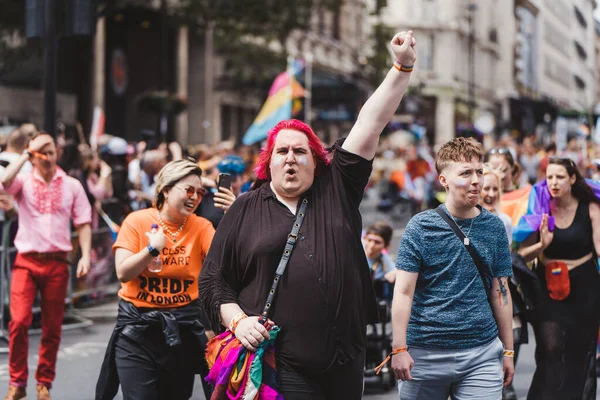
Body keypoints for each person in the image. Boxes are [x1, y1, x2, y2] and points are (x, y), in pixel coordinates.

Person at [199, 30, 417, 400]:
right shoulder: (246, 209)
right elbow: (213, 282)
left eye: (300, 151)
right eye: (281, 151)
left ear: (316, 160)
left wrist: (401, 66)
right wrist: (239, 320)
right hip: (281, 363)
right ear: (268, 162)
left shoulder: (337, 186)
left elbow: (369, 123)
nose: (290, 158)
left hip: (345, 358)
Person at [391, 137, 514, 400]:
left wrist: (508, 351)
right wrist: (399, 348)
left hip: (481, 354)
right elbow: (403, 293)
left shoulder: (494, 227)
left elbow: (500, 291)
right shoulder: (420, 227)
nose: (476, 180)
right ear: (443, 180)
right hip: (424, 355)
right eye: (466, 173)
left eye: (479, 172)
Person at [95, 159, 216, 400]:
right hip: (136, 331)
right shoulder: (137, 221)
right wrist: (152, 249)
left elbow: (223, 267)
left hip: (180, 331)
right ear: (166, 189)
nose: (195, 197)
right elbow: (123, 272)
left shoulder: (201, 227)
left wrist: (235, 213)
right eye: (188, 190)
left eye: (200, 192)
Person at [0, 133, 93, 400]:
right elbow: (4, 182)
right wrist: (26, 154)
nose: (49, 158)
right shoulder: (22, 182)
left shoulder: (72, 185)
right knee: (18, 321)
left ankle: (44, 383)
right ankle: (17, 383)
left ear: (58, 154)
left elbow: (83, 222)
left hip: (58, 263)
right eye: (43, 153)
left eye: (52, 152)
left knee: (52, 327)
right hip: (26, 262)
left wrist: (85, 255)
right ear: (33, 155)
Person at [518, 157, 600, 400]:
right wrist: (542, 245)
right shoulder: (540, 209)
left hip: (585, 287)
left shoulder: (591, 209)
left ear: (572, 179)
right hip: (549, 287)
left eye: (560, 177)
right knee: (550, 350)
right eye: (550, 177)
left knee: (578, 353)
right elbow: (521, 253)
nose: (553, 182)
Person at [195, 154, 242, 228]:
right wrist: (200, 181)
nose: (230, 185)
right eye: (225, 180)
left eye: (233, 180)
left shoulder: (246, 201)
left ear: (242, 179)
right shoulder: (207, 197)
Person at [363, 221, 396, 291]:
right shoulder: (354, 251)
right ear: (364, 238)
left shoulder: (384, 261)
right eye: (369, 240)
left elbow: (395, 271)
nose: (371, 245)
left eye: (377, 242)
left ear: (387, 245)